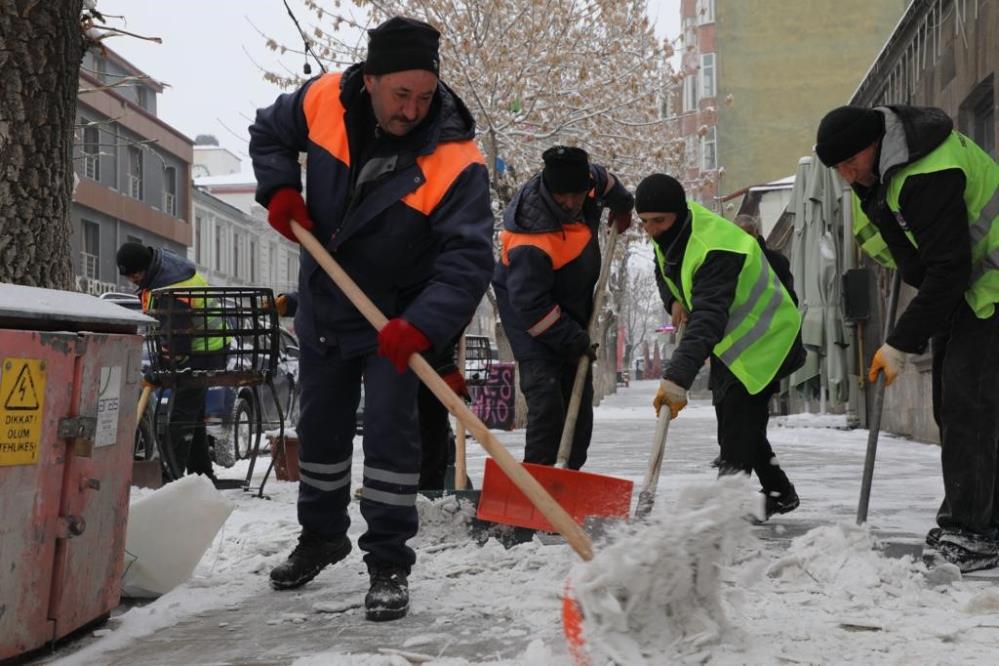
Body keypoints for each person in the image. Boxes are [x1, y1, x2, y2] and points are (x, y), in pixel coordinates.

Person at [248, 16, 494, 620]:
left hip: (396, 319)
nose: (412, 109)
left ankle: (387, 560)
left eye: (425, 96)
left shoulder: (456, 157)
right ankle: (322, 535)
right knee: (324, 432)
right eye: (400, 94)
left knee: (390, 437)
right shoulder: (323, 99)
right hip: (330, 302)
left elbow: (468, 259)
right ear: (371, 79)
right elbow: (268, 133)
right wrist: (280, 188)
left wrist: (423, 324)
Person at [815, 104, 999, 571]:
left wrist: (900, 342)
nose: (845, 175)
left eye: (848, 163)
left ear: (872, 144)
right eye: (836, 168)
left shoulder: (927, 173)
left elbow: (948, 268)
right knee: (953, 404)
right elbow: (917, 261)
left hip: (990, 283)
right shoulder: (878, 177)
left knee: (968, 404)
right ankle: (971, 519)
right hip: (968, 287)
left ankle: (975, 532)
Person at [636, 174, 804, 520]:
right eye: (645, 222)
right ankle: (779, 491)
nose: (651, 230)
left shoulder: (715, 247)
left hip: (766, 340)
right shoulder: (671, 232)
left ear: (678, 214)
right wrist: (672, 301)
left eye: (658, 221)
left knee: (736, 430)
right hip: (733, 343)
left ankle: (720, 517)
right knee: (737, 422)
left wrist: (677, 378)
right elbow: (661, 266)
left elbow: (708, 319)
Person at [492, 146, 634, 470]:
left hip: (568, 299)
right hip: (530, 315)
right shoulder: (530, 236)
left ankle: (569, 476)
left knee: (578, 401)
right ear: (548, 188)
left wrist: (623, 204)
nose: (571, 203)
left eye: (577, 195)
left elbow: (608, 182)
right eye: (562, 197)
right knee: (547, 401)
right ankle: (537, 486)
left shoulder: (589, 182)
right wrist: (575, 340)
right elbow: (532, 308)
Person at [275, 293, 467, 491]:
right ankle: (397, 491)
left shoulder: (443, 278)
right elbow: (343, 286)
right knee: (390, 425)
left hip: (424, 347)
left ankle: (428, 492)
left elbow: (452, 300)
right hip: (388, 347)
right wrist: (295, 302)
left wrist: (444, 363)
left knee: (429, 423)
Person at [116, 241, 224, 482]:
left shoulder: (171, 288)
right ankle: (202, 474)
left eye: (134, 275)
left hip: (204, 350)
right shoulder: (162, 273)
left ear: (144, 268)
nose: (132, 281)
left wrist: (163, 367)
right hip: (203, 347)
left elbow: (176, 339)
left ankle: (168, 477)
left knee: (180, 415)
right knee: (191, 412)